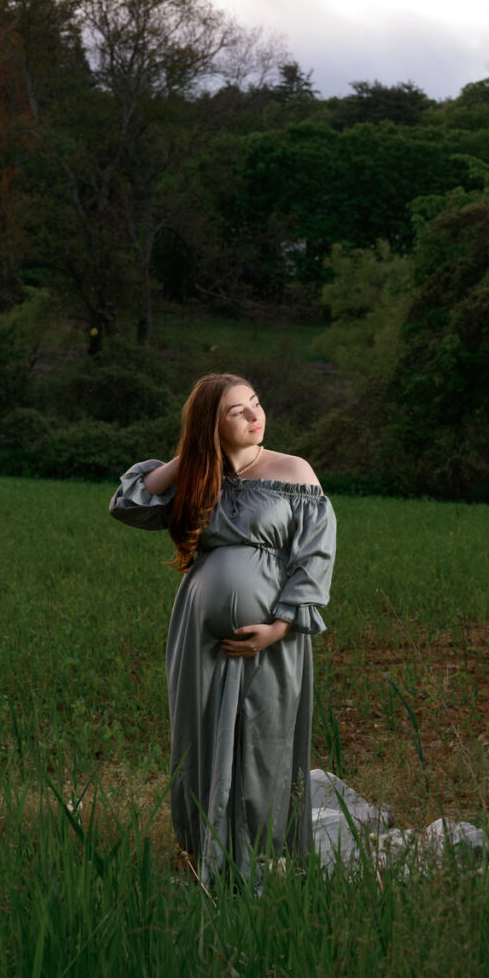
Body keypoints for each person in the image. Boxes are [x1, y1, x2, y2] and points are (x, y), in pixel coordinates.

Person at [109, 373, 336, 881]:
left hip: (272, 636)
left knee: (264, 735)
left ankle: (262, 856)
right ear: (212, 424)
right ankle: (201, 850)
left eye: (256, 403)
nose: (256, 416)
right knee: (198, 731)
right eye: (238, 411)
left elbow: (315, 555)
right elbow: (127, 505)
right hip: (198, 633)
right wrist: (191, 456)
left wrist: (279, 627)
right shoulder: (197, 478)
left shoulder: (293, 470)